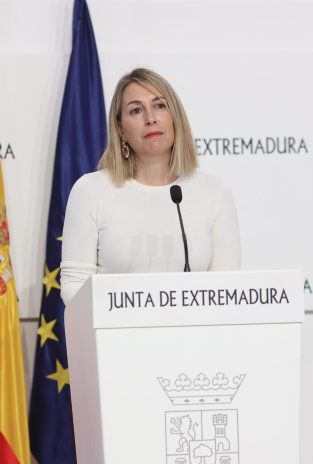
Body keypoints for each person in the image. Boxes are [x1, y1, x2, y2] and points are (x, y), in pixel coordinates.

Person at [60, 68, 240, 304]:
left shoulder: (215, 192)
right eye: (136, 110)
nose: (150, 118)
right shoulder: (90, 190)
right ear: (121, 129)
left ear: (175, 117)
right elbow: (74, 284)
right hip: (115, 327)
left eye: (160, 106)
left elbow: (227, 290)